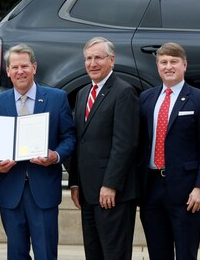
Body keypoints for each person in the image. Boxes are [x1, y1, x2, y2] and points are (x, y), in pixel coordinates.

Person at [0, 44, 76, 260]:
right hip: (11, 191)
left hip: (43, 189)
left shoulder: (57, 98)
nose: (20, 71)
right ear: (7, 71)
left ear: (34, 67)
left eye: (25, 66)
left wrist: (54, 156)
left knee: (46, 253)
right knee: (16, 254)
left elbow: (69, 137)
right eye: (14, 67)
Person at [138, 42, 200, 260]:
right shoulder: (146, 99)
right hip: (151, 188)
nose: (168, 66)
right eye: (163, 62)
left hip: (186, 191)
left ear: (184, 65)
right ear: (157, 67)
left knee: (185, 253)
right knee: (158, 252)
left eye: (174, 62)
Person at [68, 37, 140, 260]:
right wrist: (75, 182)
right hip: (88, 193)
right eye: (88, 58)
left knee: (114, 254)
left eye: (98, 57)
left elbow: (125, 144)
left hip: (112, 193)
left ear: (112, 60)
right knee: (94, 253)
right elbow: (80, 141)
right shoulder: (83, 94)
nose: (92, 63)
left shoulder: (124, 92)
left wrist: (110, 184)